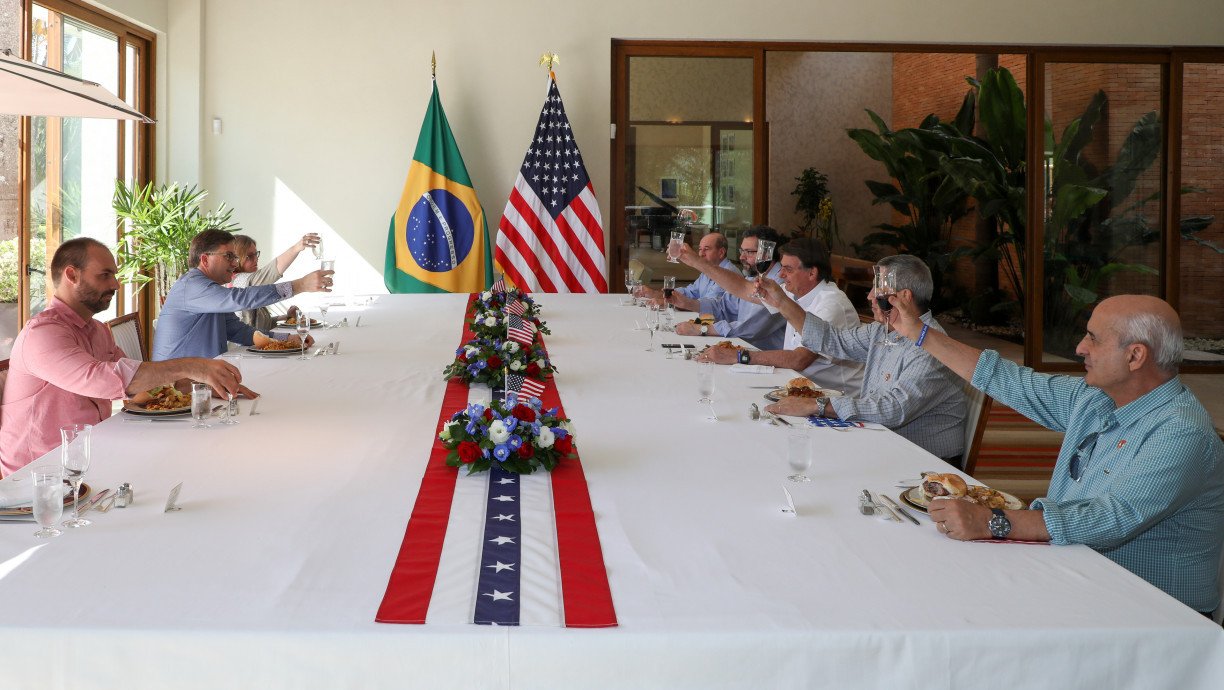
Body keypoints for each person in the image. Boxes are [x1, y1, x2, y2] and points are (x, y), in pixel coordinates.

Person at [889, 290, 1224, 616]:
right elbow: (1008, 380)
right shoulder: (1097, 399)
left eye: (1094, 338)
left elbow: (1112, 518)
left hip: (1158, 613)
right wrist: (919, 332)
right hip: (1087, 579)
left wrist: (993, 522)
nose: (1080, 348)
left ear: (1135, 356)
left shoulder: (1181, 432)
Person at [0, 238, 243, 475]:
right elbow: (102, 380)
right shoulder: (42, 333)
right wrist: (192, 366)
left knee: (197, 464)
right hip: (38, 477)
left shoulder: (96, 329)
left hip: (88, 454)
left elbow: (138, 385)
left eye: (114, 275)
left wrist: (201, 384)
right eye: (105, 275)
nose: (116, 285)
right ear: (72, 275)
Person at [758, 254, 967, 463]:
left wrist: (817, 405)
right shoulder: (882, 330)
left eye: (879, 288)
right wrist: (782, 302)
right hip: (882, 443)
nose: (870, 296)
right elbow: (833, 340)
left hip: (926, 465)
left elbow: (893, 409)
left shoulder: (931, 347)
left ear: (904, 297)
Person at [694, 238, 864, 394]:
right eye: (781, 267)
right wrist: (695, 262)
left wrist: (738, 356)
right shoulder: (793, 291)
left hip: (837, 399)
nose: (781, 275)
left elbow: (799, 359)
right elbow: (743, 288)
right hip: (797, 387)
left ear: (812, 273)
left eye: (788, 269)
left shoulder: (832, 304)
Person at [152, 229, 332, 361]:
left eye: (235, 257)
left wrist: (286, 339)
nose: (234, 263)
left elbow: (239, 331)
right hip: (176, 386)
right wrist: (300, 285)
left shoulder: (210, 291)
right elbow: (239, 299)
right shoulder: (191, 285)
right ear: (205, 259)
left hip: (204, 377)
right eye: (229, 256)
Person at [668, 226, 786, 351]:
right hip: (742, 350)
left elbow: (752, 328)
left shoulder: (780, 283)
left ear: (767, 252)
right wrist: (688, 303)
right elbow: (723, 307)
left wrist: (701, 329)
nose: (741, 257)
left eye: (749, 252)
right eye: (742, 251)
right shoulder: (753, 278)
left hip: (767, 360)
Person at [229, 233, 320, 332]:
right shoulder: (237, 281)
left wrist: (288, 317)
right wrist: (296, 248)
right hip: (242, 347)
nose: (256, 259)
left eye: (256, 254)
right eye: (250, 256)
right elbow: (268, 274)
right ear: (236, 259)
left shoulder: (249, 283)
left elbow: (262, 325)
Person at [636, 232, 735, 304]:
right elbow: (690, 292)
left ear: (721, 252)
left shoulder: (729, 273)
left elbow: (709, 304)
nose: (701, 253)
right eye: (700, 249)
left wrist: (665, 302)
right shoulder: (707, 271)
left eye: (707, 249)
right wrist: (656, 294)